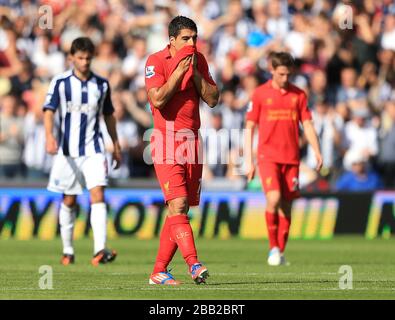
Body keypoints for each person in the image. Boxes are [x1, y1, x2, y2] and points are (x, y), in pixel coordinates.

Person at [145, 16, 219, 285]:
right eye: (186, 39)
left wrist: (195, 72)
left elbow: (213, 99)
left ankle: (158, 272)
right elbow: (158, 99)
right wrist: (178, 71)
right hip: (166, 140)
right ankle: (194, 263)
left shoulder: (199, 60)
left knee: (180, 208)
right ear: (172, 40)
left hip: (192, 142)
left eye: (195, 38)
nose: (192, 43)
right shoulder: (155, 61)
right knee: (178, 203)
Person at [43, 37, 121, 266]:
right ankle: (68, 250)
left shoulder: (102, 84)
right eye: (80, 58)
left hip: (94, 149)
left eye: (88, 58)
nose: (85, 62)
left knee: (98, 194)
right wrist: (49, 136)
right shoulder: (60, 82)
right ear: (71, 58)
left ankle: (99, 250)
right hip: (68, 151)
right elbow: (48, 111)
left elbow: (109, 115)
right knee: (69, 200)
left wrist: (115, 145)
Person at [244, 51, 323, 266]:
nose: (285, 79)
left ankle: (280, 251)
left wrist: (316, 150)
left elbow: (307, 123)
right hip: (268, 156)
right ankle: (273, 248)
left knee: (287, 207)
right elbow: (249, 127)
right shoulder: (260, 94)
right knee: (273, 198)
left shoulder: (299, 95)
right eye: (281, 74)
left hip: (291, 158)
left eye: (288, 74)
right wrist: (249, 161)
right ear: (272, 71)